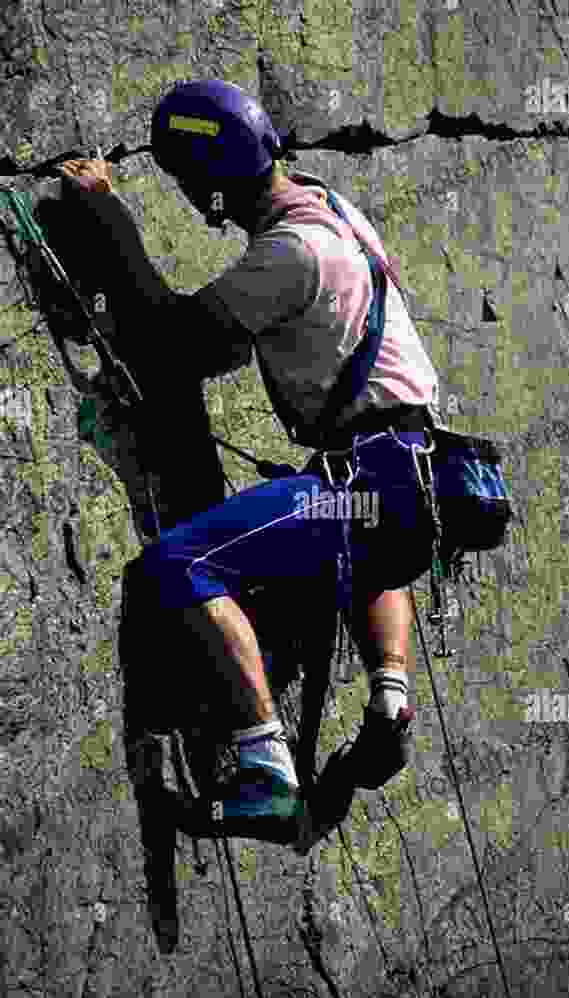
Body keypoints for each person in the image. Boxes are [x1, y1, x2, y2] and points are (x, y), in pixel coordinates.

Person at [58, 79, 444, 848]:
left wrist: (107, 215)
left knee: (180, 563)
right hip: (419, 475)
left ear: (210, 180)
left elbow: (173, 342)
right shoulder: (331, 210)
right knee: (374, 552)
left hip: (360, 484)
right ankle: (389, 697)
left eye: (188, 180)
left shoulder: (287, 253)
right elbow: (245, 338)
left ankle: (266, 766)